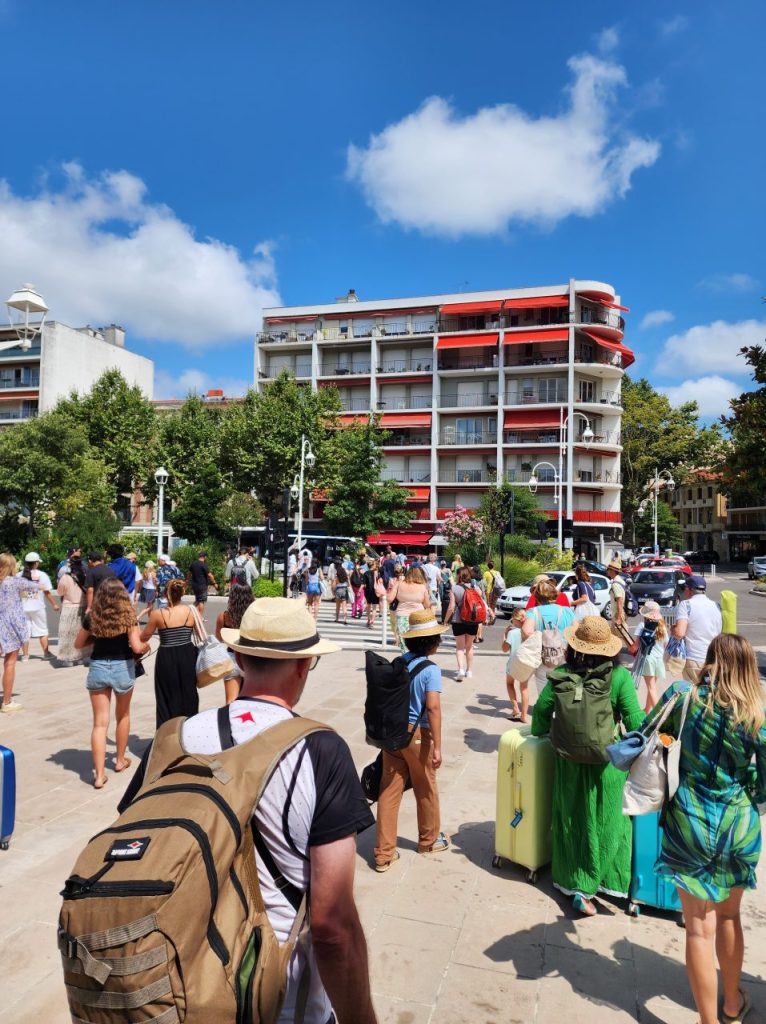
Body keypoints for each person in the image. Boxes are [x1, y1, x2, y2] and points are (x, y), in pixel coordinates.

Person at [119, 597, 378, 1024]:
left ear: (238, 658)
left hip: (177, 984)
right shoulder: (320, 751)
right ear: (303, 666)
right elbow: (332, 926)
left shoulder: (174, 738)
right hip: (277, 999)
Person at [642, 635, 765, 1024]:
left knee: (698, 929)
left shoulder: (682, 697)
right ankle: (732, 1004)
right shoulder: (756, 711)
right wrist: (747, 785)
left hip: (690, 821)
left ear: (710, 659)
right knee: (729, 916)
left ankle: (708, 1021)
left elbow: (647, 732)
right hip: (737, 824)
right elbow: (764, 784)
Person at [531, 616, 644, 916]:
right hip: (607, 765)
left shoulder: (562, 674)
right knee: (610, 822)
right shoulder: (619, 678)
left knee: (572, 819)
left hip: (568, 762)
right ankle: (606, 883)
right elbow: (635, 720)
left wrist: (540, 731)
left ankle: (574, 882)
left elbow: (541, 711)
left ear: (575, 646)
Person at [374, 608, 450, 871]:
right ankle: (428, 840)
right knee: (425, 786)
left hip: (393, 732)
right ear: (431, 642)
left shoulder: (400, 661)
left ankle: (384, 854)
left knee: (389, 790)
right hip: (418, 735)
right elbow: (433, 708)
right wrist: (438, 746)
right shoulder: (431, 670)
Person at [75, 577, 149, 788]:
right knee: (123, 715)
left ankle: (99, 776)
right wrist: (146, 646)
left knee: (100, 723)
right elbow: (137, 647)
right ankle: (119, 760)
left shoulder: (92, 617)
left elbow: (78, 644)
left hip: (98, 667)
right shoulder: (129, 617)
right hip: (122, 667)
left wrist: (97, 638)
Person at [140, 577, 199, 728]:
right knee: (188, 693)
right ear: (182, 593)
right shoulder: (191, 611)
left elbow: (144, 637)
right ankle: (189, 729)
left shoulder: (157, 614)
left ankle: (167, 732)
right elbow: (199, 633)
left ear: (166, 594)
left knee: (166, 695)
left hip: (166, 656)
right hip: (188, 654)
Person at [521, 577, 576, 695]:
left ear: (537, 597)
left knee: (544, 693)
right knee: (563, 692)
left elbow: (526, 631)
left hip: (544, 658)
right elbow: (576, 631)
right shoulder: (567, 611)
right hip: (565, 658)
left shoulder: (534, 612)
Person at [0, 553, 38, 713]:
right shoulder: (14, 581)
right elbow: (35, 588)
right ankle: (7, 702)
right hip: (10, 626)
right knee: (9, 662)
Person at [672, 574, 723, 683]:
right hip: (714, 658)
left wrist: (672, 629)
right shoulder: (716, 605)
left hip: (695, 657)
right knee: (711, 690)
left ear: (689, 589)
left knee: (695, 691)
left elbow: (679, 633)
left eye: (684, 588)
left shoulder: (686, 605)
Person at [215, 580, 255, 703]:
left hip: (232, 658)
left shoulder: (224, 617)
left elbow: (219, 638)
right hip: (251, 660)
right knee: (250, 701)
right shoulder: (254, 615)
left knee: (231, 701)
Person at [18, 552, 59, 661]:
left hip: (22, 608)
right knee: (42, 630)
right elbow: (47, 592)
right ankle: (46, 654)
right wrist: (54, 604)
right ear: (36, 563)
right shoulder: (42, 575)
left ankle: (25, 656)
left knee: (24, 632)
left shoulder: (18, 575)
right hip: (38, 607)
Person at [444, 566, 481, 681]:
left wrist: (445, 621)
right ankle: (469, 671)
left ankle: (460, 669)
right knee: (469, 647)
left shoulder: (454, 588)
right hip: (472, 620)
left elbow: (451, 607)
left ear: (459, 576)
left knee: (460, 647)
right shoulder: (475, 588)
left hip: (458, 620)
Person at [387, 566, 431, 653]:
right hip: (418, 616)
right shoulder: (422, 587)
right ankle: (416, 658)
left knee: (404, 640)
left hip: (402, 615)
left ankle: (406, 657)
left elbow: (389, 599)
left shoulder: (399, 584)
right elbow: (427, 605)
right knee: (417, 640)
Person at [56, 555, 90, 666]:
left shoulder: (66, 577)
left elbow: (60, 592)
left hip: (69, 608)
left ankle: (68, 659)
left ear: (70, 565)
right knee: (81, 633)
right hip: (83, 606)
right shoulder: (86, 576)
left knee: (67, 634)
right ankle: (82, 657)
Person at [634, 601, 668, 712]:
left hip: (647, 659)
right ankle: (647, 709)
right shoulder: (662, 627)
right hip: (659, 660)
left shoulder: (642, 626)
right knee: (652, 687)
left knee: (651, 688)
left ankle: (659, 714)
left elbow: (635, 647)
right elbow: (666, 644)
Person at [502, 608, 529, 722]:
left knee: (509, 684)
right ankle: (524, 716)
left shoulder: (512, 633)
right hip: (526, 663)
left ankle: (515, 709)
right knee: (524, 688)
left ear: (516, 619)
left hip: (513, 663)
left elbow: (504, 649)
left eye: (512, 620)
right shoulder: (529, 632)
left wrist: (505, 634)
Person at [606, 558, 626, 636]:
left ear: (613, 571)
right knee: (614, 637)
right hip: (618, 613)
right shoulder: (620, 581)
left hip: (618, 614)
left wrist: (618, 618)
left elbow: (619, 601)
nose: (607, 571)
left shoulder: (615, 584)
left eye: (608, 569)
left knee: (623, 637)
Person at [364, 559, 383, 629]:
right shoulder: (377, 573)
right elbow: (380, 581)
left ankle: (368, 620)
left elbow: (364, 584)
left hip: (368, 591)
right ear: (373, 565)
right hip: (375, 591)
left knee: (368, 606)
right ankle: (372, 622)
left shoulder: (366, 573)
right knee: (374, 607)